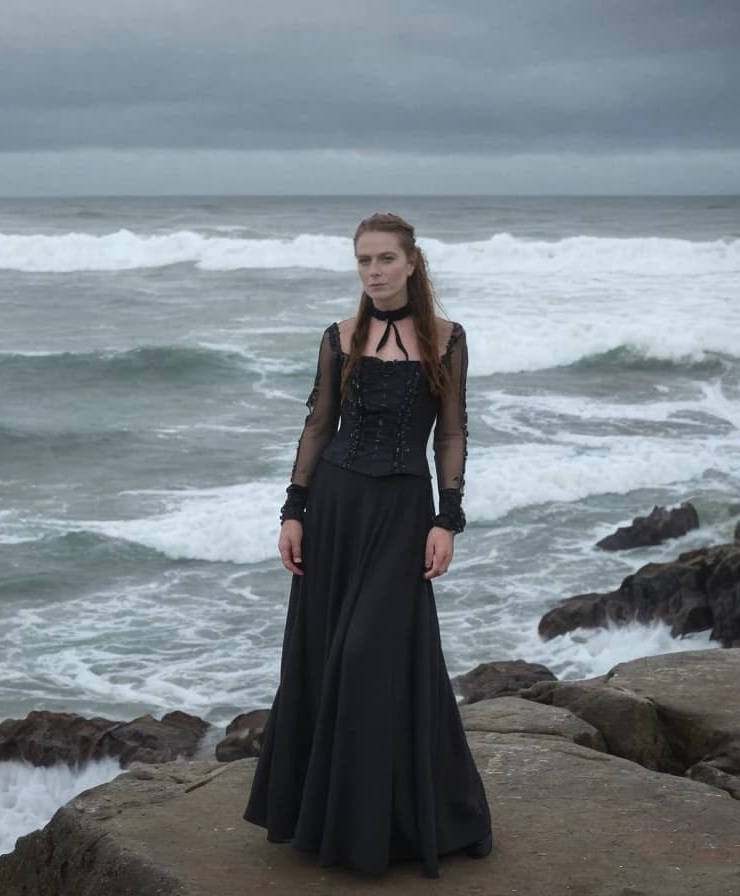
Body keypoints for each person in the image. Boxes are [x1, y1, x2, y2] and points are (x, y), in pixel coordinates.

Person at [243, 212, 493, 877]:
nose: (373, 271)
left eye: (385, 259)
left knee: (367, 655)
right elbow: (319, 425)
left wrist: (449, 518)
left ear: (412, 263)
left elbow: (453, 433)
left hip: (401, 514)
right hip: (334, 509)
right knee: (326, 658)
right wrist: (293, 510)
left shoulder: (447, 339)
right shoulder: (340, 336)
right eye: (363, 261)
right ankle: (327, 822)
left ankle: (385, 826)